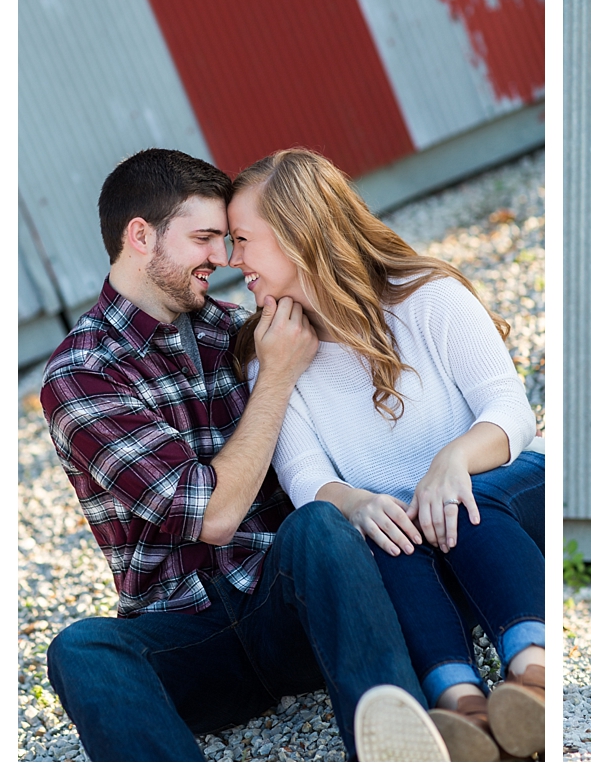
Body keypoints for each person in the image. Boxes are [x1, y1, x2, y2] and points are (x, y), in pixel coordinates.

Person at [39, 149, 447, 761]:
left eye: (227, 239)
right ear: (141, 236)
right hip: (187, 636)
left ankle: (395, 752)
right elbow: (212, 515)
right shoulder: (80, 377)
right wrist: (277, 378)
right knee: (80, 649)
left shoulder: (242, 331)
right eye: (204, 238)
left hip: (286, 606)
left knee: (318, 524)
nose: (224, 258)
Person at [228, 149, 547, 761]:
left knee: (466, 494)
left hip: (504, 498)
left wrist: (453, 460)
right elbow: (304, 476)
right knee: (382, 531)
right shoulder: (270, 351)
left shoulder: (428, 296)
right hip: (420, 537)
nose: (232, 260)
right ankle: (467, 712)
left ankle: (532, 676)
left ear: (297, 236)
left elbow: (510, 411)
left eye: (244, 240)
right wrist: (358, 502)